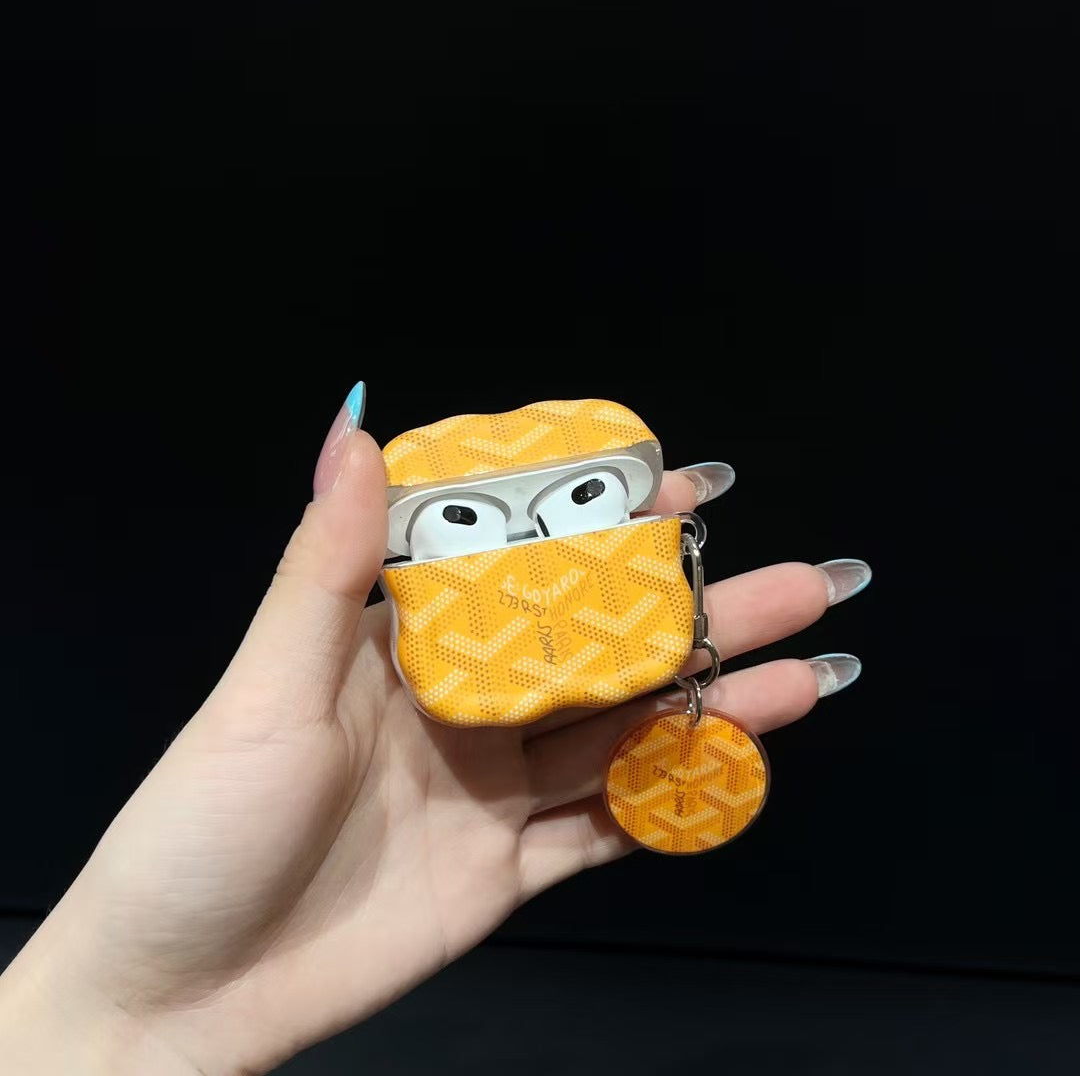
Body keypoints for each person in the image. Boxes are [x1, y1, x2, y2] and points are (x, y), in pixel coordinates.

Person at [0, 383, 870, 1074]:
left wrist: (110, 1019)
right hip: (469, 679)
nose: (530, 550)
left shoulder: (637, 550)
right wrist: (123, 1008)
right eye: (463, 516)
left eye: (580, 500)